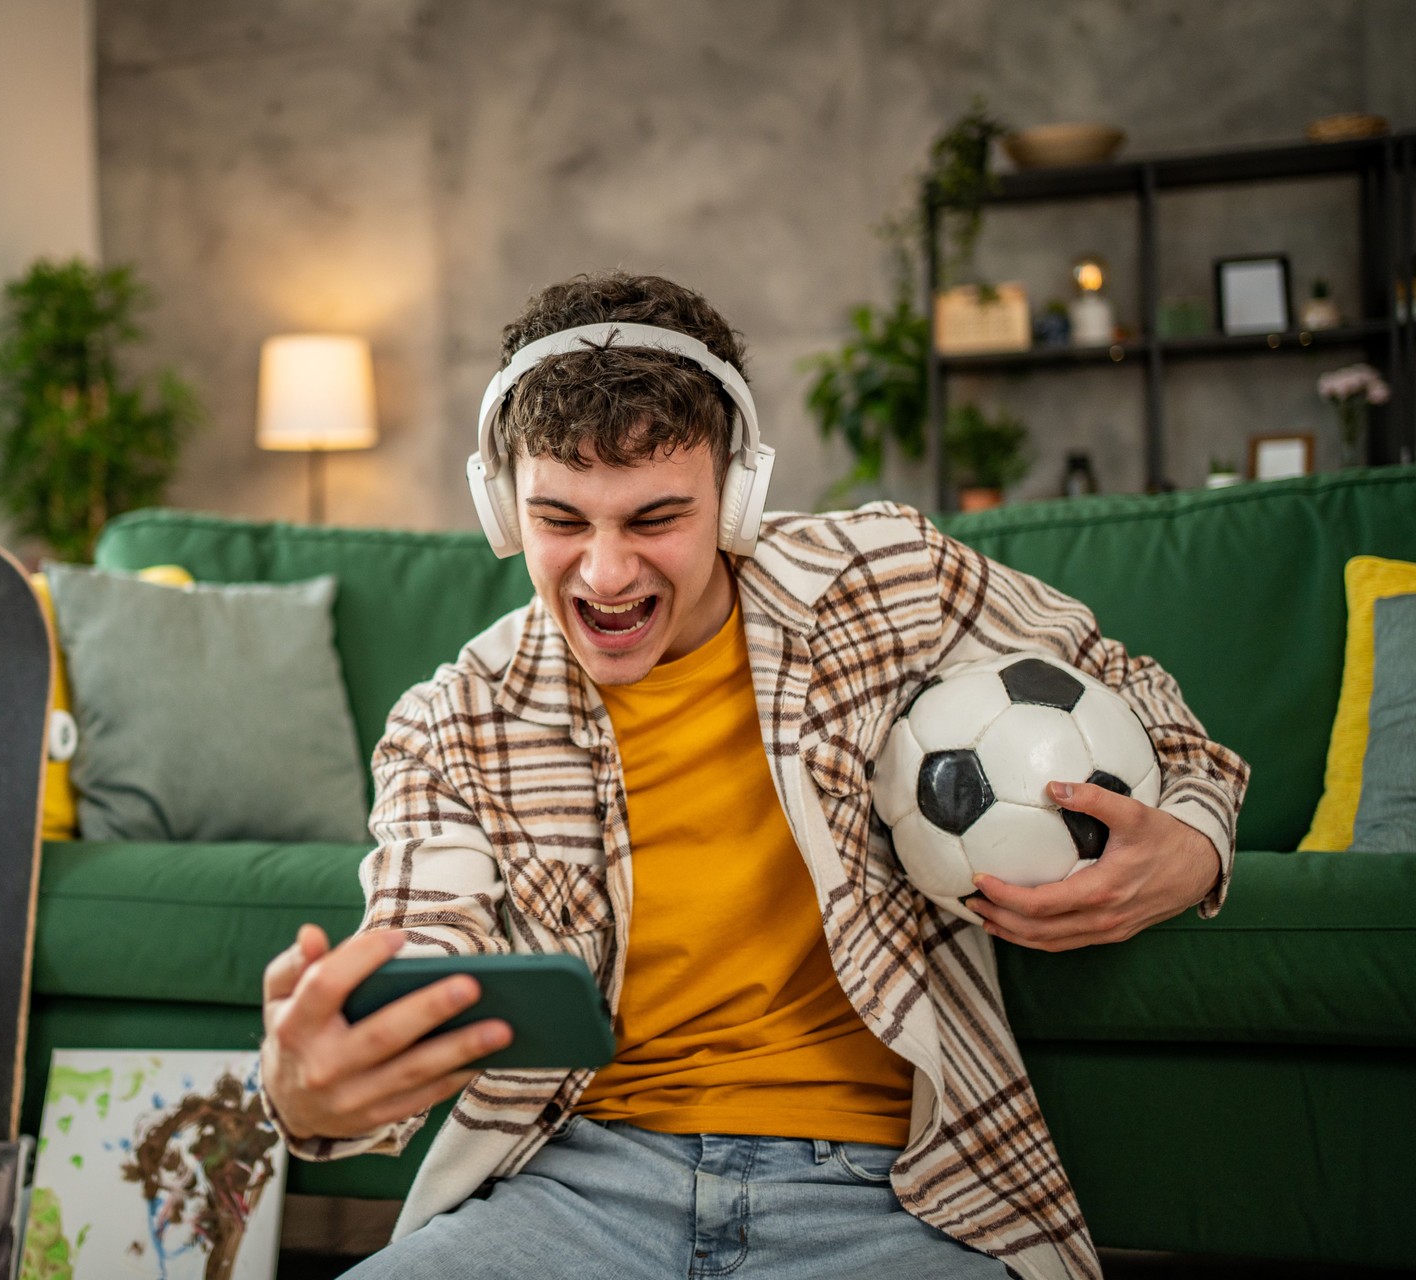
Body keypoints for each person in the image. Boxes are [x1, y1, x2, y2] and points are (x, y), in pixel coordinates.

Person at [257, 271, 1248, 1280]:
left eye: (653, 518)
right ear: (501, 508)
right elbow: (426, 946)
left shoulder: (882, 580)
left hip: (888, 1194)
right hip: (575, 1191)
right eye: (561, 520)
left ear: (736, 499)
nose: (604, 573)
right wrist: (312, 1091)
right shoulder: (452, 720)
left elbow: (1125, 682)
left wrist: (1198, 840)